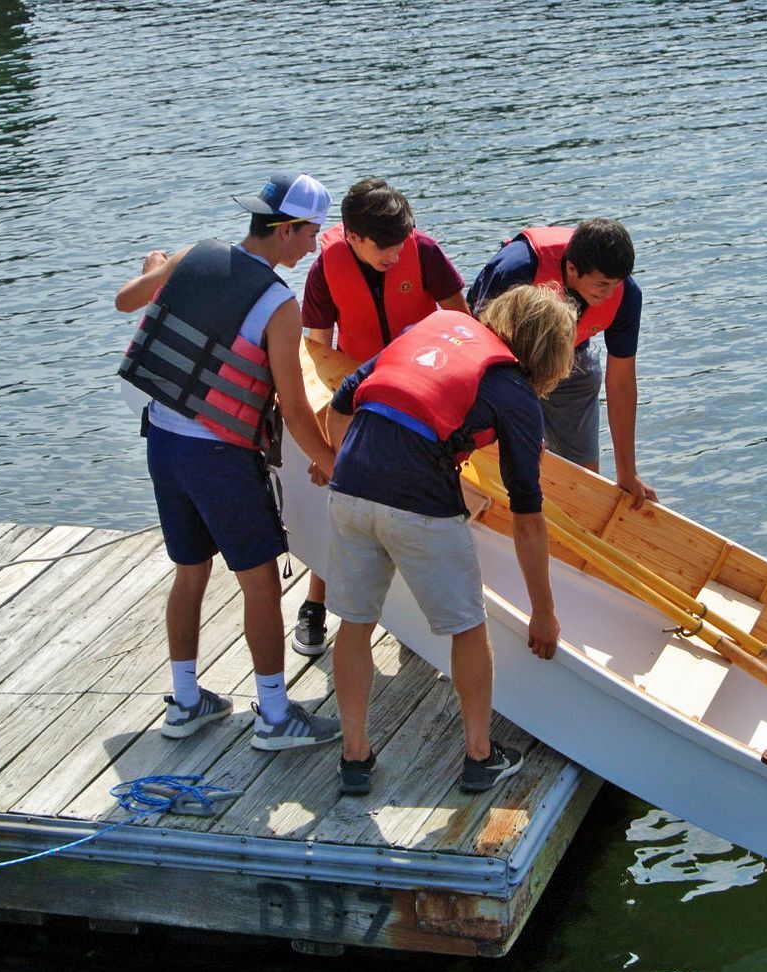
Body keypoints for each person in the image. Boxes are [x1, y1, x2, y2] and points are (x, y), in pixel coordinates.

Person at [114, 171, 341, 752]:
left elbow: (126, 300)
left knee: (190, 571)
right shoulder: (278, 304)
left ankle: (187, 703)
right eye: (311, 234)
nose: (314, 247)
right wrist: (336, 465)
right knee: (261, 582)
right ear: (286, 230)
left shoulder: (195, 255)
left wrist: (158, 265)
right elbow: (293, 408)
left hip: (163, 441)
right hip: (218, 456)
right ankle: (273, 715)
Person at [321, 284, 577, 796]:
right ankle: (480, 756)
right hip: (420, 505)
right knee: (466, 627)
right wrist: (543, 612)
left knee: (354, 622)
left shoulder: (429, 328)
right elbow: (527, 514)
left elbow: (341, 404)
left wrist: (343, 463)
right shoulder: (515, 393)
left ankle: (355, 757)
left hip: (349, 487)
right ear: (549, 354)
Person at [292, 177, 470, 659]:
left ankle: (413, 620)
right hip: (358, 400)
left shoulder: (425, 253)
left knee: (416, 509)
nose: (395, 255)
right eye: (383, 248)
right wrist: (326, 443)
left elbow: (462, 326)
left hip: (420, 399)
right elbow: (315, 357)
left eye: (400, 244)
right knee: (342, 496)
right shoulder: (325, 271)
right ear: (352, 236)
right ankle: (315, 603)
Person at [466, 218, 657, 505]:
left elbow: (621, 383)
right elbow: (475, 347)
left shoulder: (627, 295)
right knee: (516, 453)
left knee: (584, 479)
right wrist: (518, 423)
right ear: (571, 268)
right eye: (602, 285)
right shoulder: (516, 268)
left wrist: (627, 472)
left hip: (571, 360)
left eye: (615, 285)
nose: (608, 295)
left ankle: (578, 513)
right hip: (503, 363)